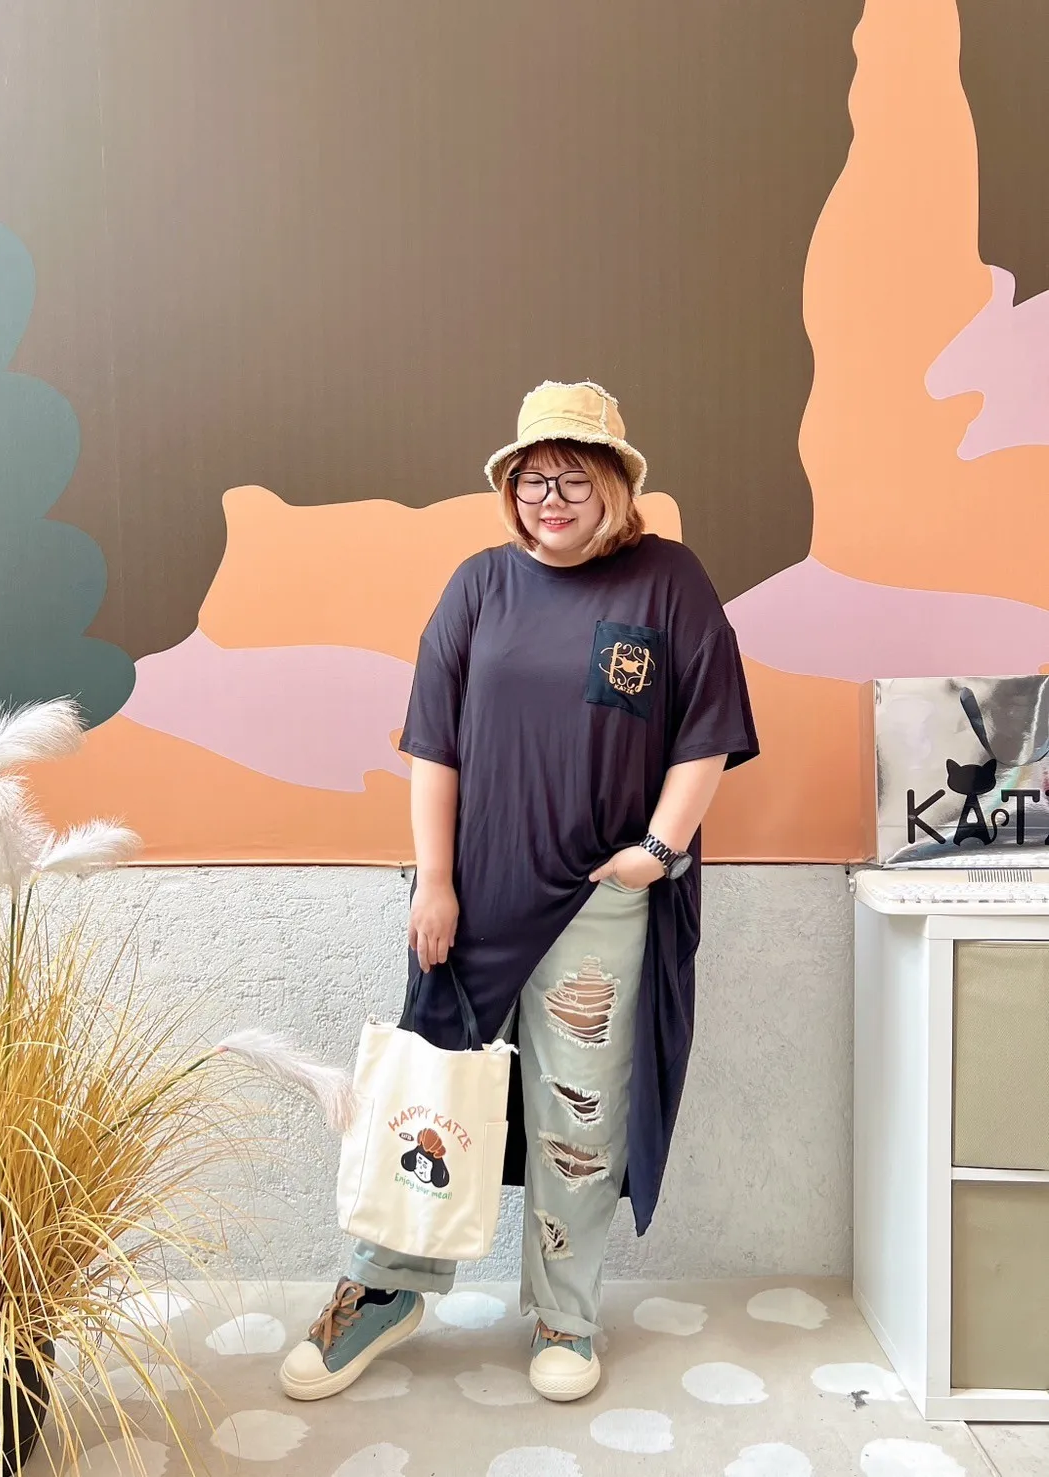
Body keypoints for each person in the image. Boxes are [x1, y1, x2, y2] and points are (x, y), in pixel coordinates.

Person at [279, 380, 758, 1404]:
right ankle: (386, 1289)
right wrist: (435, 882)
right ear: (511, 490)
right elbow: (434, 745)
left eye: (573, 478)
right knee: (426, 1097)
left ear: (614, 485)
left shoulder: (668, 581)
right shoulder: (478, 586)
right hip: (474, 901)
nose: (550, 498)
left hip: (598, 900)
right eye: (533, 479)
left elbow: (707, 730)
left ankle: (563, 1315)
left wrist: (656, 850)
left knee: (577, 1116)